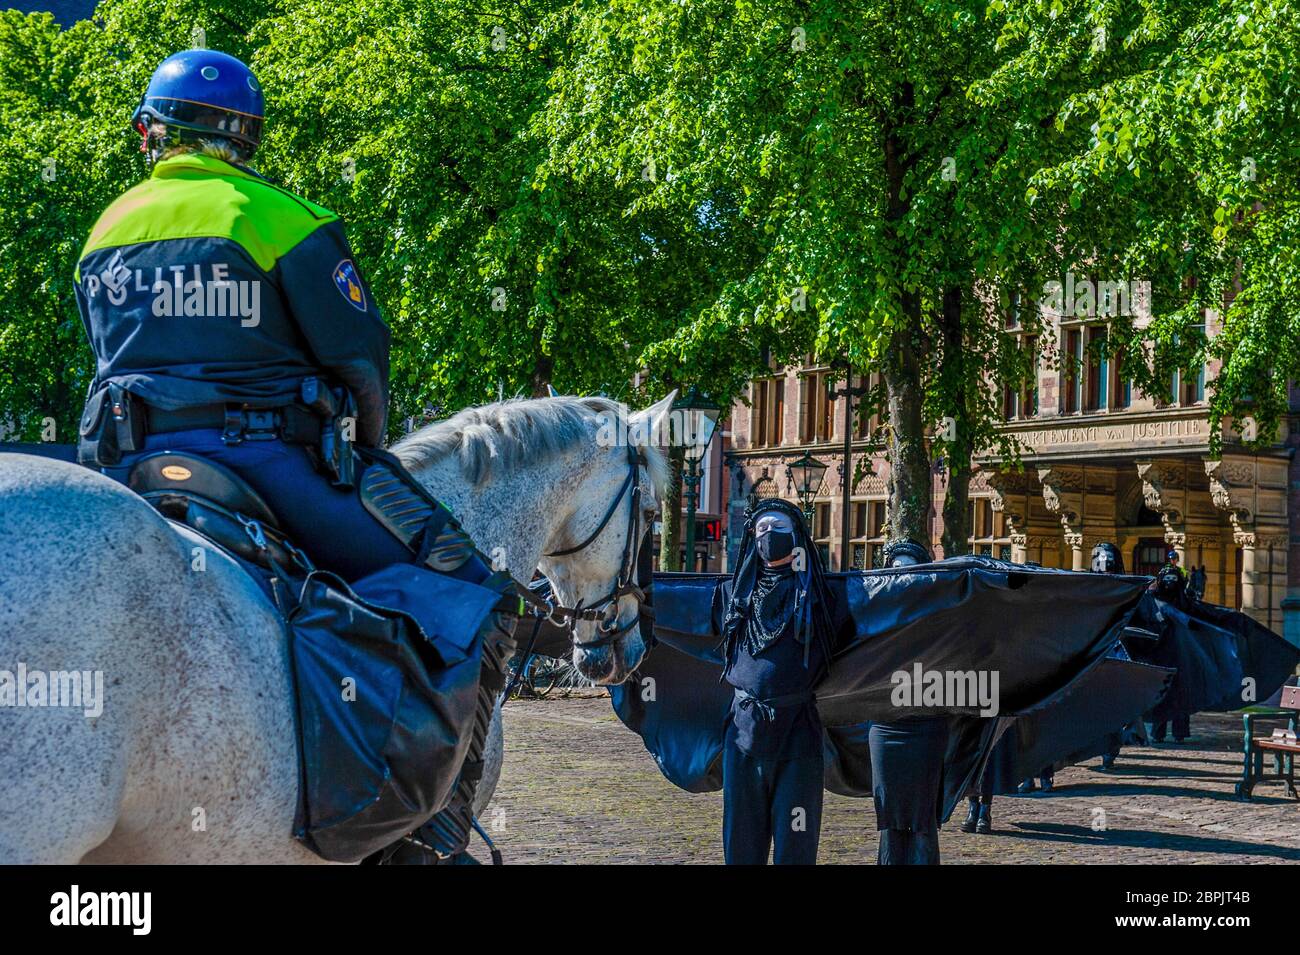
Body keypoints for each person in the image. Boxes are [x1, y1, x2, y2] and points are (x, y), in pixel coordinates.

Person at [74, 49, 503, 861]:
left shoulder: (104, 229)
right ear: (247, 137)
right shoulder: (281, 217)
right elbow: (360, 362)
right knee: (475, 586)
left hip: (126, 470)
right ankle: (430, 830)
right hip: (264, 467)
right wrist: (366, 455)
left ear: (150, 134)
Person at [715, 499, 837, 864]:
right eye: (763, 529)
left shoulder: (823, 597)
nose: (770, 535)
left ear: (797, 535)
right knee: (742, 845)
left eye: (779, 528)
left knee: (795, 845)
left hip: (798, 738)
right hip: (744, 735)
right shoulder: (731, 596)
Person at [869, 538, 951, 865]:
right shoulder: (874, 617)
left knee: (922, 822)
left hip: (927, 729)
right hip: (886, 730)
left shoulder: (940, 617)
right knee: (890, 821)